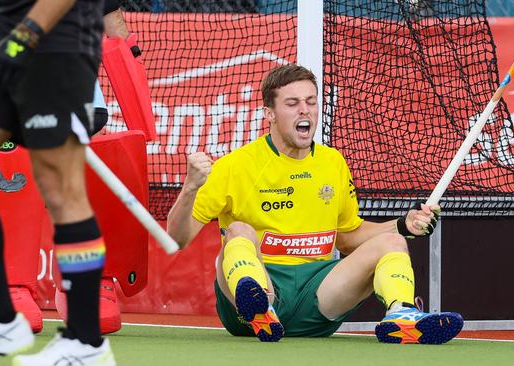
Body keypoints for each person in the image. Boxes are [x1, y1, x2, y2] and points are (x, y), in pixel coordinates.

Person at [167, 64, 464, 344]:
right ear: (269, 113)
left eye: (310, 101)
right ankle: (259, 307)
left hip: (317, 294)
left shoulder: (332, 162)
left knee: (392, 242)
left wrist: (403, 225)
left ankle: (401, 318)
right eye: (292, 103)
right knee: (239, 231)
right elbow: (177, 239)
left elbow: (347, 238)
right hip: (258, 289)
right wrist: (191, 188)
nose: (305, 110)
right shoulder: (235, 166)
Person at [0, 0, 116, 365]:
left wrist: (25, 36)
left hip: (55, 47)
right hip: (1, 41)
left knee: (60, 189)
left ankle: (85, 342)